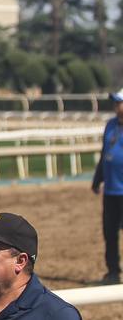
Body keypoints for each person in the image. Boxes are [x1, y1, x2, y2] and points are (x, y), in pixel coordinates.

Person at [92, 88, 123, 285]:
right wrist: (97, 179)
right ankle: (113, 271)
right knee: (109, 233)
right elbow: (105, 155)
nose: (116, 106)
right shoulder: (110, 125)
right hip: (111, 191)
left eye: (119, 102)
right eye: (116, 102)